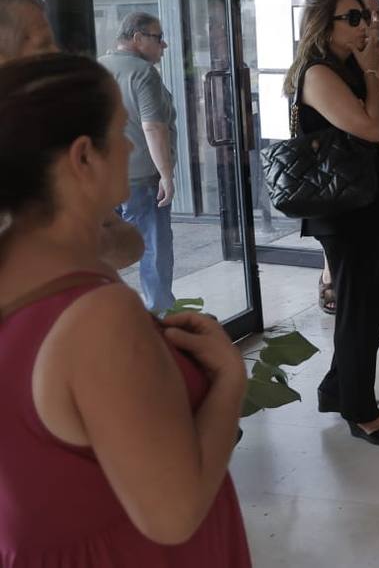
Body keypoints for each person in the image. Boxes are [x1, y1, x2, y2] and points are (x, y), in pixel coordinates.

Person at [0, 52, 250, 564]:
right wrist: (228, 381)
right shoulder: (94, 315)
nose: (131, 144)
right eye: (119, 130)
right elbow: (173, 514)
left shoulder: (23, 270)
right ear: (83, 157)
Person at [286, 0, 379, 444]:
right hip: (344, 207)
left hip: (369, 196)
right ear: (324, 24)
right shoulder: (319, 73)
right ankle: (359, 407)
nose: (364, 25)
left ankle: (337, 387)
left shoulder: (349, 68)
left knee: (376, 299)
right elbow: (375, 127)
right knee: (360, 307)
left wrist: (369, 88)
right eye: (352, 18)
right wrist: (372, 74)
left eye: (365, 17)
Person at [0, 0, 143, 271]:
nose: (56, 55)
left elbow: (131, 244)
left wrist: (80, 239)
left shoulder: (49, 134)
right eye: (43, 45)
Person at [319, 0, 379, 315]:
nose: (373, 21)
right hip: (351, 170)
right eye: (360, 17)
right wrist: (368, 72)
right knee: (350, 253)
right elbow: (369, 127)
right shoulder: (336, 68)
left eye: (377, 13)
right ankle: (331, 282)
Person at [99, 13, 179, 314]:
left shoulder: (98, 68)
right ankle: (159, 318)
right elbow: (153, 127)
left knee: (106, 249)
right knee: (154, 250)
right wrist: (166, 175)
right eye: (158, 38)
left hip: (106, 180)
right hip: (144, 179)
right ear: (137, 38)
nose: (164, 45)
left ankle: (112, 316)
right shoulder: (143, 73)